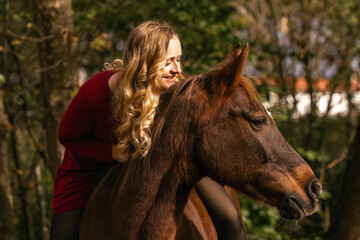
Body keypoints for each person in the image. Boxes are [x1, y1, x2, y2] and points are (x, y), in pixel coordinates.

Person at [50, 20, 245, 240]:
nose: (178, 69)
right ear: (146, 62)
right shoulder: (94, 93)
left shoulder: (174, 88)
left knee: (230, 219)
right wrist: (110, 153)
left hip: (153, 165)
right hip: (89, 171)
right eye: (169, 61)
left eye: (179, 60)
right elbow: (66, 137)